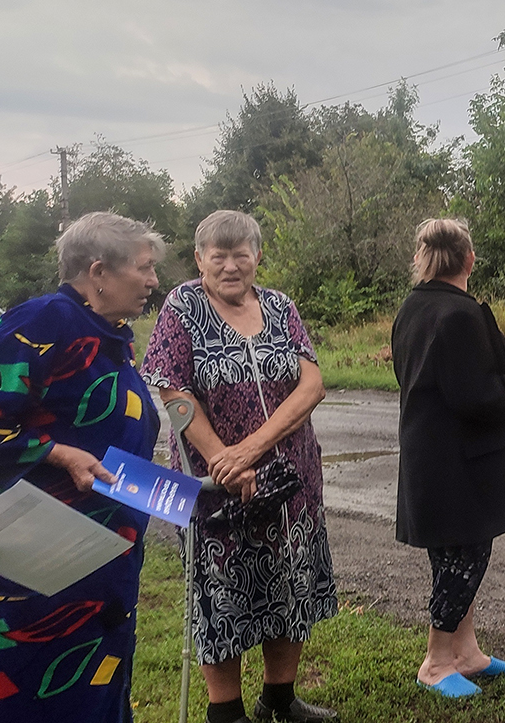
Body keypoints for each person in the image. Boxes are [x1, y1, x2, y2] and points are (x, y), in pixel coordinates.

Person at [0, 211, 165, 721]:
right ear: (99, 273)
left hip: (94, 565)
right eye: (144, 267)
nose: (155, 281)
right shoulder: (44, 322)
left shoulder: (108, 334)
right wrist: (57, 453)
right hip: (32, 572)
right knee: (31, 694)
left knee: (93, 693)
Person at [141, 210, 338, 723]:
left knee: (289, 580)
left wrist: (248, 451)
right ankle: (225, 712)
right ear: (199, 258)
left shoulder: (280, 306)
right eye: (219, 255)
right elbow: (173, 390)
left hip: (290, 477)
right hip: (212, 483)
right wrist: (220, 459)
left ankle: (280, 698)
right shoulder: (182, 307)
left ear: (257, 256)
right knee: (221, 591)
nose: (231, 265)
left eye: (241, 254)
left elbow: (311, 385)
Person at [392, 218, 505, 699]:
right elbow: (476, 397)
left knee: (450, 554)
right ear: (469, 260)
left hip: (429, 455)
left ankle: (467, 653)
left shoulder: (413, 309)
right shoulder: (460, 315)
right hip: (459, 460)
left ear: (423, 259)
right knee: (468, 554)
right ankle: (436, 662)